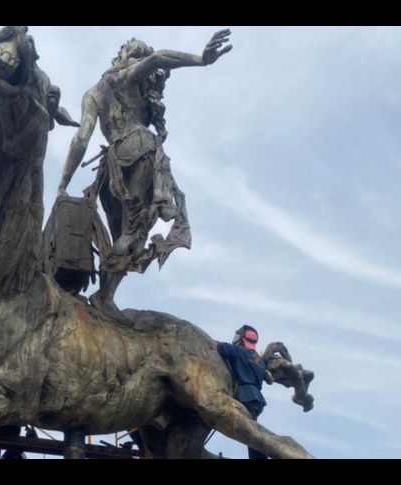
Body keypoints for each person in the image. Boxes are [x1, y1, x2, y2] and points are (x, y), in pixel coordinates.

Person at [57, 30, 232, 325]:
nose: (143, 60)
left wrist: (64, 182)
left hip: (110, 170)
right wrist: (201, 60)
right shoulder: (127, 77)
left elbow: (81, 139)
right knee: (134, 232)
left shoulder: (94, 93)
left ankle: (105, 296)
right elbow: (159, 57)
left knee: (123, 235)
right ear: (126, 58)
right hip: (140, 149)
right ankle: (105, 295)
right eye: (139, 53)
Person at [216, 324, 268, 459]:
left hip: (245, 395)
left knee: (250, 433)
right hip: (257, 399)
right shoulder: (260, 362)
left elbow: (221, 347)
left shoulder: (239, 352)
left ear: (242, 339)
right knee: (252, 430)